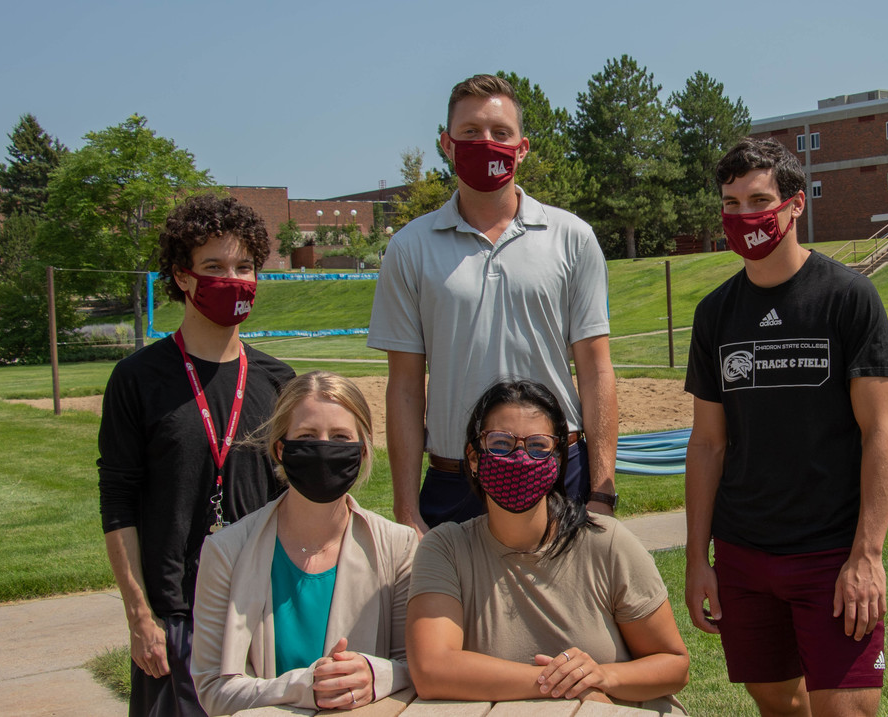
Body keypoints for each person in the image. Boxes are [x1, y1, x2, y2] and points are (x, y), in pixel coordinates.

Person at [684, 138, 888, 717]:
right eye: (730, 204)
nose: (743, 216)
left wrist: (868, 554)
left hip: (831, 552)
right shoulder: (715, 313)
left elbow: (882, 433)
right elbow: (707, 443)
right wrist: (695, 557)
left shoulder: (849, 298)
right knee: (778, 701)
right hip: (743, 552)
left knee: (848, 708)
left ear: (795, 204)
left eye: (758, 200)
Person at [367, 74, 618, 535]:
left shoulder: (572, 237)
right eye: (470, 132)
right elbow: (404, 386)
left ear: (522, 147)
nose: (486, 142)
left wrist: (602, 490)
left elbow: (596, 369)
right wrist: (406, 510)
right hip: (454, 478)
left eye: (500, 133)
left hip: (559, 471)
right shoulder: (409, 248)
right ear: (446, 143)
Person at [98, 194, 296, 717]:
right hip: (176, 615)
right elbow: (117, 500)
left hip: (260, 607)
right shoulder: (138, 379)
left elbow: (296, 504)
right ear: (183, 278)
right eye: (214, 267)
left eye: (244, 267)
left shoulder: (280, 381)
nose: (232, 279)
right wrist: (139, 614)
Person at [406, 380, 689, 713]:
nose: (520, 458)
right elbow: (432, 670)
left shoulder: (606, 542)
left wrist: (601, 676)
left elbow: (674, 664)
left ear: (557, 461)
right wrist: (562, 684)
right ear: (473, 457)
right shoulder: (446, 549)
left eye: (538, 447)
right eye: (500, 444)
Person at [190, 371, 417, 715]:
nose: (325, 447)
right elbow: (211, 687)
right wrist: (307, 687)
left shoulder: (398, 546)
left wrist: (375, 673)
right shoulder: (225, 551)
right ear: (281, 449)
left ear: (363, 449)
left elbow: (414, 665)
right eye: (308, 435)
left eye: (341, 437)